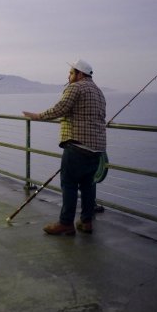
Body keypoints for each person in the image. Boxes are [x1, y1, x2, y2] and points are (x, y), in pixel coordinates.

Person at [23, 58, 106, 236]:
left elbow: (60, 108)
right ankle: (86, 221)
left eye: (71, 72)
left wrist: (37, 116)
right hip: (97, 148)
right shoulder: (99, 92)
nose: (68, 76)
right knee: (88, 185)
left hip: (77, 145)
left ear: (79, 74)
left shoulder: (76, 87)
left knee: (68, 183)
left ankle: (66, 223)